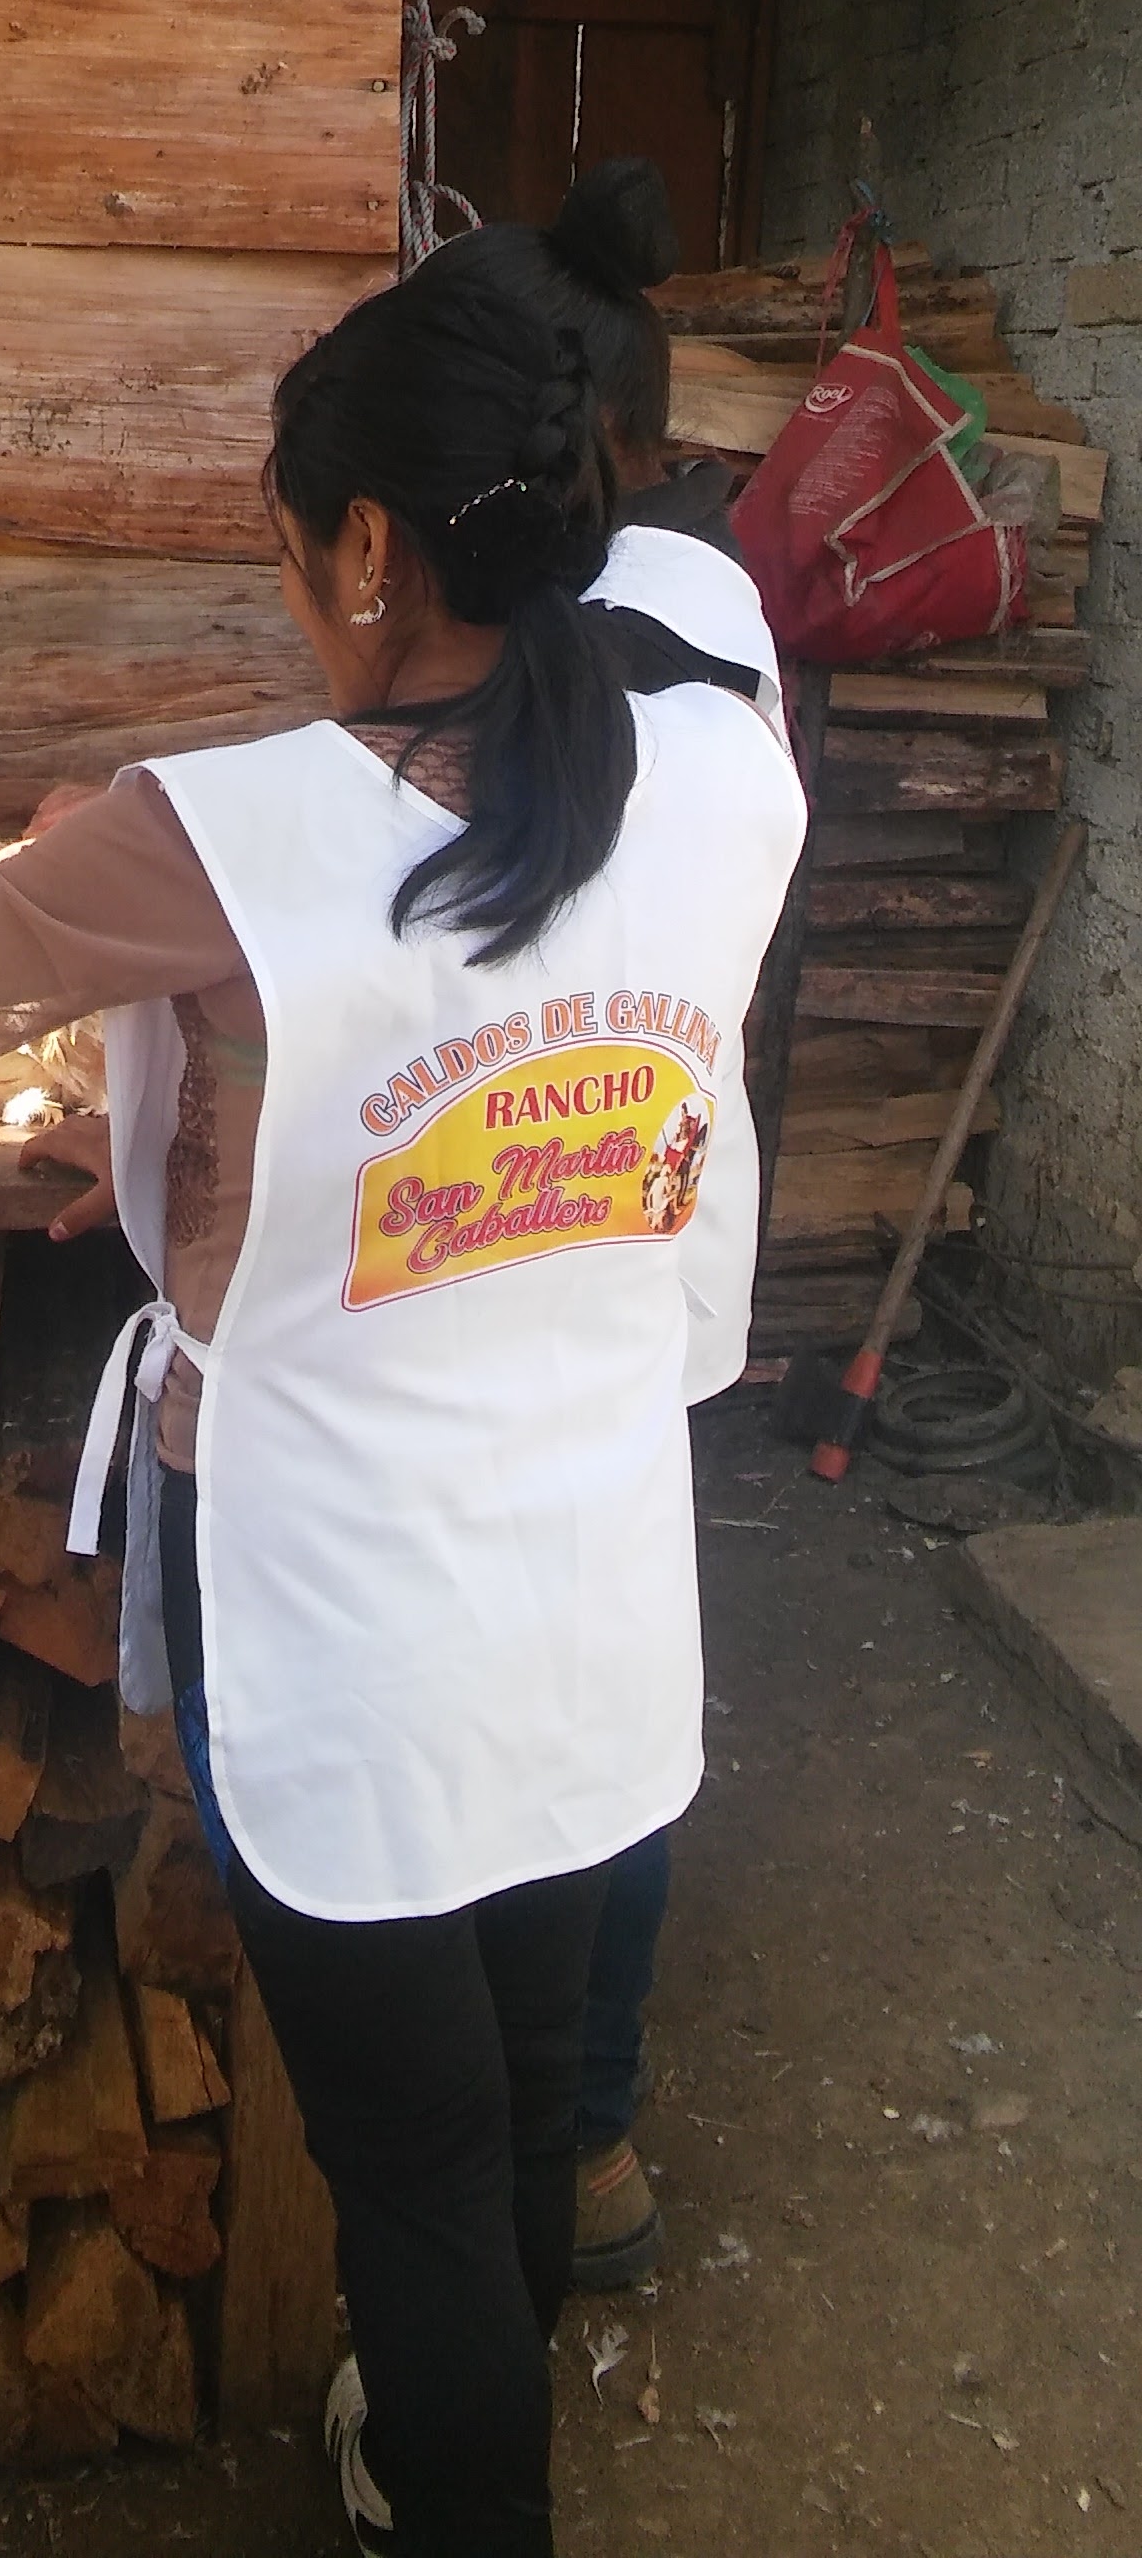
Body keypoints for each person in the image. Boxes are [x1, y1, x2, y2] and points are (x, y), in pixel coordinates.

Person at [0, 249, 805, 2558]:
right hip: (596, 1578)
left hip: (344, 1610)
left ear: (357, 549)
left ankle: (454, 2500)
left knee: (409, 2172)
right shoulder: (719, 765)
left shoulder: (217, 832)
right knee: (520, 2106)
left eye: (286, 545)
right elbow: (471, 1047)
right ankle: (453, 2438)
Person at [478, 160, 779, 2294]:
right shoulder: (730, 616)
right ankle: (581, 2132)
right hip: (655, 1216)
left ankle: (523, 2123)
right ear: (663, 451)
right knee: (604, 1671)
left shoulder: (481, 633)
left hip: (498, 1224)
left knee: (498, 1675)